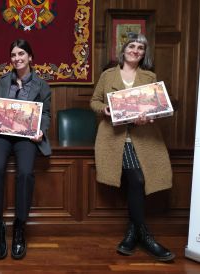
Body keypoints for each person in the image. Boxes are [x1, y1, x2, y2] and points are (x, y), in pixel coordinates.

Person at [90, 33, 175, 262]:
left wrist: (150, 115)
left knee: (141, 181)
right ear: (124, 49)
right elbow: (94, 101)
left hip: (144, 138)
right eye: (132, 46)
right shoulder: (107, 75)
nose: (136, 50)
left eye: (140, 48)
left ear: (144, 53)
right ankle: (146, 237)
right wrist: (104, 110)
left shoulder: (150, 77)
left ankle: (132, 233)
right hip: (115, 138)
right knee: (136, 180)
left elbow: (157, 106)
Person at [0, 39, 51, 260]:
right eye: (13, 55)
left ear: (30, 57)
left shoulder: (42, 85)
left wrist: (40, 130)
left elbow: (47, 114)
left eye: (21, 54)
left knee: (26, 173)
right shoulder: (1, 82)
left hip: (26, 137)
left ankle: (20, 226)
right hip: (1, 135)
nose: (17, 58)